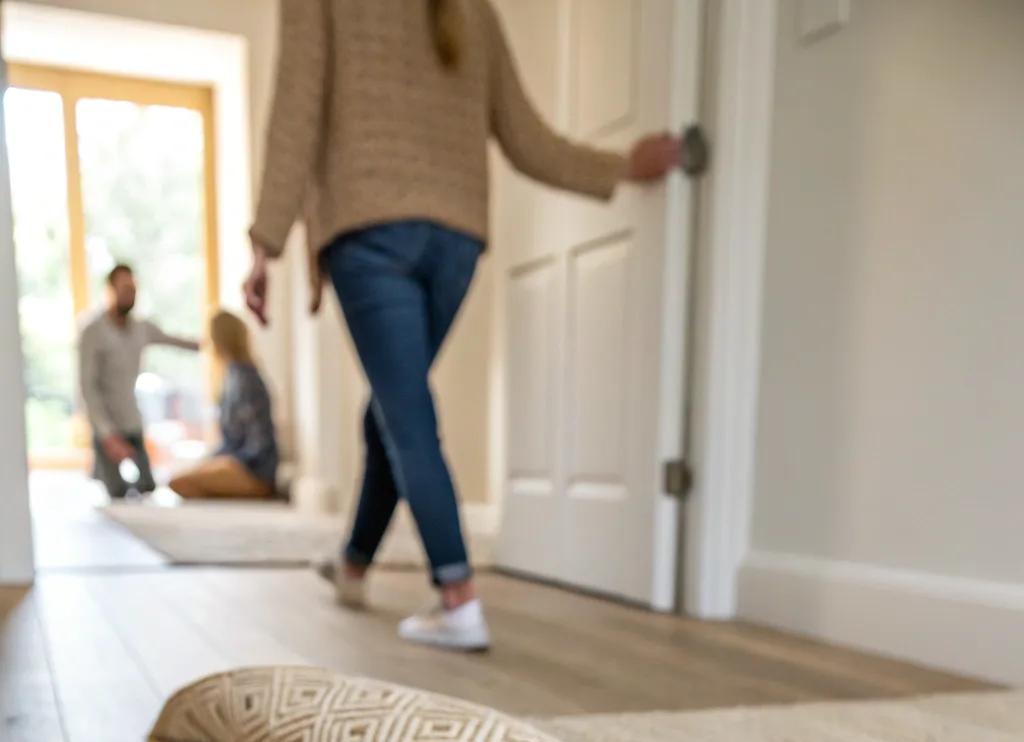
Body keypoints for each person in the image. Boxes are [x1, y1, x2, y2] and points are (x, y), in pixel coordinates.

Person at [243, 0, 681, 653]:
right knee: (394, 407)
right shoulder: (471, 7)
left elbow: (295, 109)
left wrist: (265, 242)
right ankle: (354, 565)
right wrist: (620, 165)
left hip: (369, 227)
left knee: (406, 413)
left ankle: (458, 599)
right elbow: (528, 138)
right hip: (455, 239)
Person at [78, 263, 199, 499]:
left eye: (133, 290)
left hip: (131, 419)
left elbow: (174, 340)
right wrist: (107, 434)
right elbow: (87, 387)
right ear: (111, 290)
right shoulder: (93, 331)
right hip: (107, 424)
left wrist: (213, 343)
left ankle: (103, 470)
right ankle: (101, 468)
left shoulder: (141, 328)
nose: (130, 295)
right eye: (125, 289)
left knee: (147, 486)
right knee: (117, 492)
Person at [169, 310, 279, 500]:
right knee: (183, 478)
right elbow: (231, 439)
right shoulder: (231, 376)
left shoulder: (245, 379)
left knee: (181, 483)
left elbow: (259, 443)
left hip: (254, 470)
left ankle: (250, 491)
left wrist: (229, 462)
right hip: (236, 460)